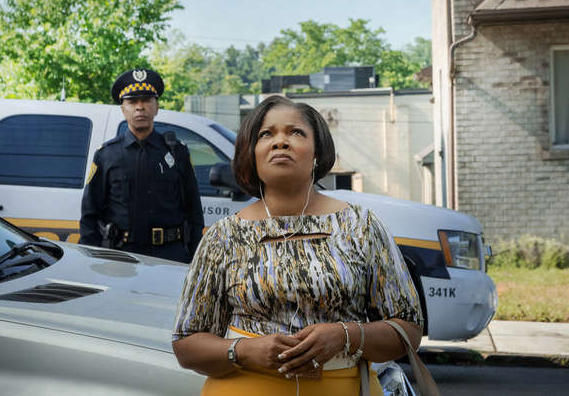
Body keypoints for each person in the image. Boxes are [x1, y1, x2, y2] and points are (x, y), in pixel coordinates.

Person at [172, 95, 423, 395]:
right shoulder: (222, 236)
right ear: (251, 154)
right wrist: (244, 350)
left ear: (318, 152)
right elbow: (186, 344)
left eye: (296, 132)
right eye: (266, 134)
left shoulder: (362, 226)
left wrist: (346, 335)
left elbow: (409, 329)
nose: (280, 142)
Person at [79, 68, 203, 263]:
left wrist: (195, 258)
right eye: (132, 102)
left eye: (146, 100)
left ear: (156, 107)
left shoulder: (177, 152)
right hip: (121, 258)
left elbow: (194, 211)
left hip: (170, 257)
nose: (140, 107)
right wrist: (92, 260)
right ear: (123, 109)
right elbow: (90, 215)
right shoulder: (107, 154)